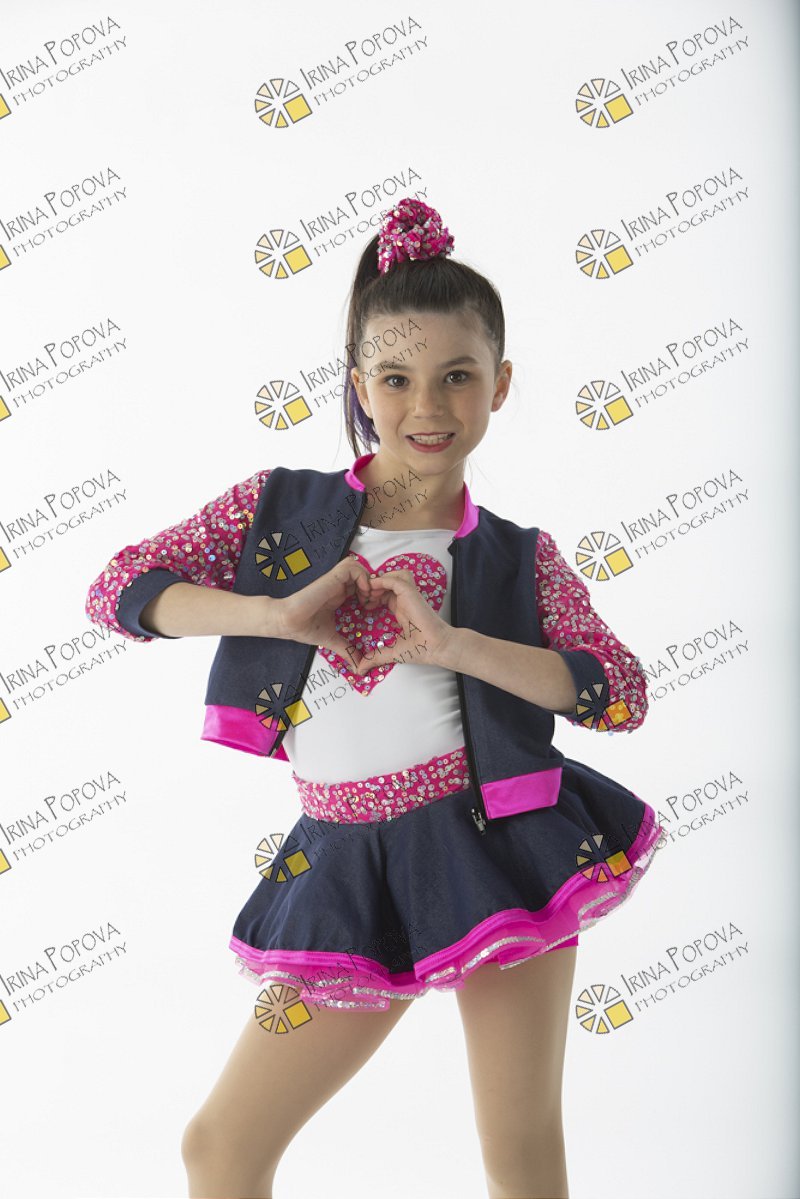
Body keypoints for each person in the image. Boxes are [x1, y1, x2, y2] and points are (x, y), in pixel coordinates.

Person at [85, 197, 665, 1199]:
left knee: (519, 1147)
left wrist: (456, 645)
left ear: (500, 384)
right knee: (220, 1144)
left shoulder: (519, 558)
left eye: (457, 375)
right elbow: (117, 590)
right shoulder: (276, 511)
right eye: (395, 379)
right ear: (360, 385)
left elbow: (618, 694)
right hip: (343, 865)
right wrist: (274, 613)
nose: (426, 405)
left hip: (505, 851)